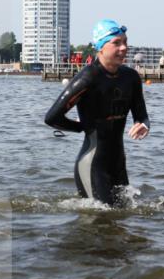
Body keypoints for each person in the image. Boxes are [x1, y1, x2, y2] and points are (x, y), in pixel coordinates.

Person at [44, 18, 150, 205]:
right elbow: (52, 117)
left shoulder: (130, 77)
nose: (124, 48)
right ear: (100, 47)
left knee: (122, 219)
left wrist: (143, 124)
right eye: (116, 43)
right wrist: (82, 127)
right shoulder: (88, 78)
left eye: (125, 42)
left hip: (118, 163)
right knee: (99, 220)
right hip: (92, 163)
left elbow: (141, 115)